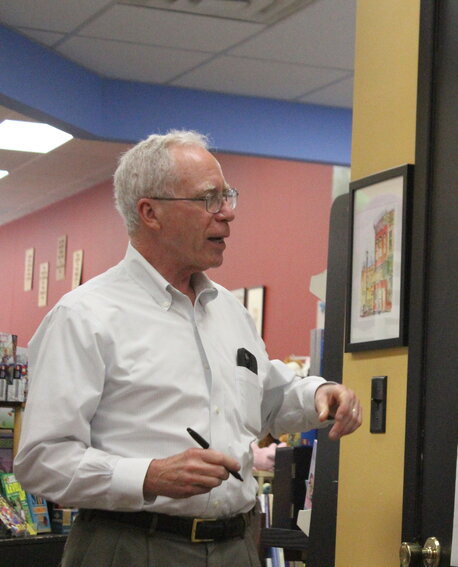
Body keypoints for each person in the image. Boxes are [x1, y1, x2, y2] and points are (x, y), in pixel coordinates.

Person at [13, 130, 362, 566]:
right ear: (150, 212)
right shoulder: (85, 316)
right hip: (132, 546)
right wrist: (148, 475)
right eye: (208, 199)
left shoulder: (229, 311)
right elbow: (42, 461)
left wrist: (317, 394)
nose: (229, 213)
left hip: (239, 546)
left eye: (228, 196)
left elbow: (268, 400)